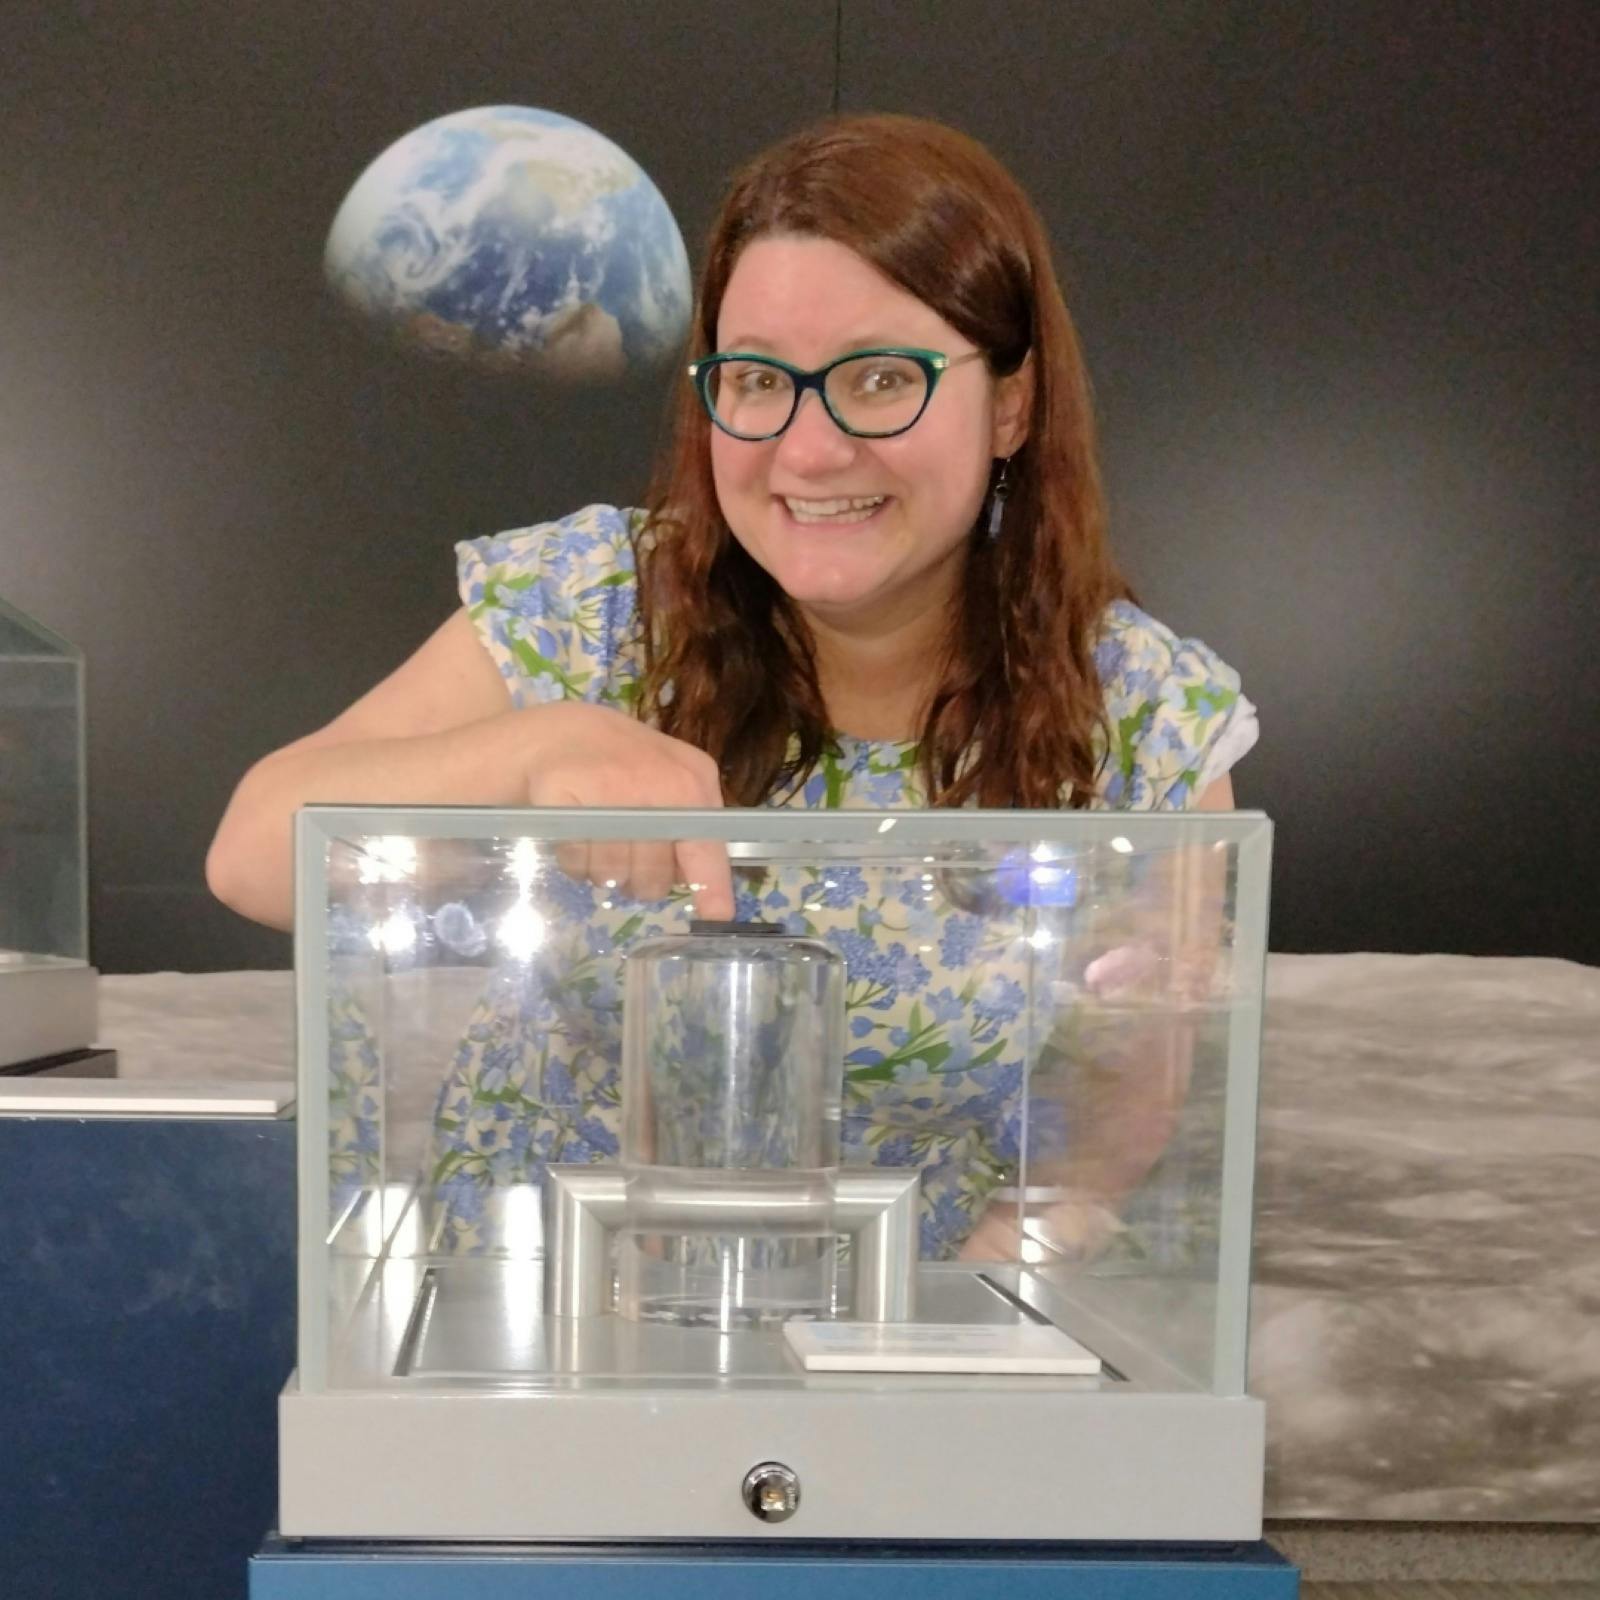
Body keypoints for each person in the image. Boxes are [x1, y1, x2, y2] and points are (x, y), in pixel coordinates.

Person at [208, 112, 1257, 1264]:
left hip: (902, 1355)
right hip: (530, 1334)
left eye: (877, 378)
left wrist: (947, 1338)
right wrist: (531, 752)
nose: (807, 451)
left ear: (1010, 402)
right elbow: (255, 854)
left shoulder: (1144, 715)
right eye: (758, 381)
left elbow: (1119, 1114)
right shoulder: (593, 604)